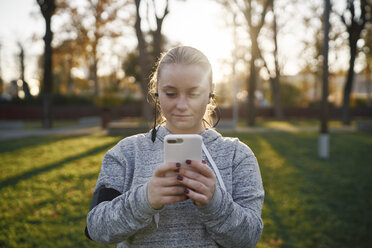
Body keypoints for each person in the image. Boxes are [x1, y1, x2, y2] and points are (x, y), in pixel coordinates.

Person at [85, 46, 264, 248]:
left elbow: (249, 237)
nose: (181, 105)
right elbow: (96, 228)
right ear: (157, 92)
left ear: (210, 91)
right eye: (170, 93)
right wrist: (145, 199)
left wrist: (215, 203)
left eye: (194, 93)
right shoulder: (126, 153)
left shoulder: (237, 155)